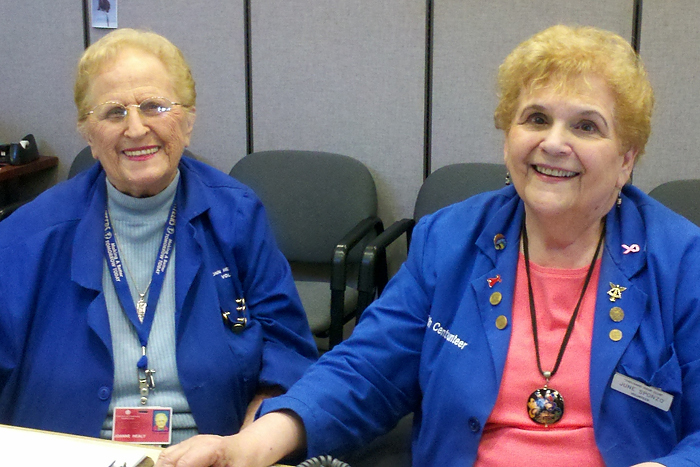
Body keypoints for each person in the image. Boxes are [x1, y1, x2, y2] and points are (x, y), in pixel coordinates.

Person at [157, 25, 700, 467]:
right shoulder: (450, 240)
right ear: (508, 134)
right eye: (535, 118)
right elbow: (367, 372)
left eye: (586, 126)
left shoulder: (681, 262)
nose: (554, 143)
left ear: (627, 158)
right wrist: (248, 445)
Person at [0, 28, 318, 444]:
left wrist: (248, 445)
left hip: (208, 454)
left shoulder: (236, 216)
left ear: (187, 120)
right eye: (114, 112)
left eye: (155, 106)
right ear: (87, 133)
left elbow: (287, 352)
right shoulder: (25, 238)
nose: (136, 128)